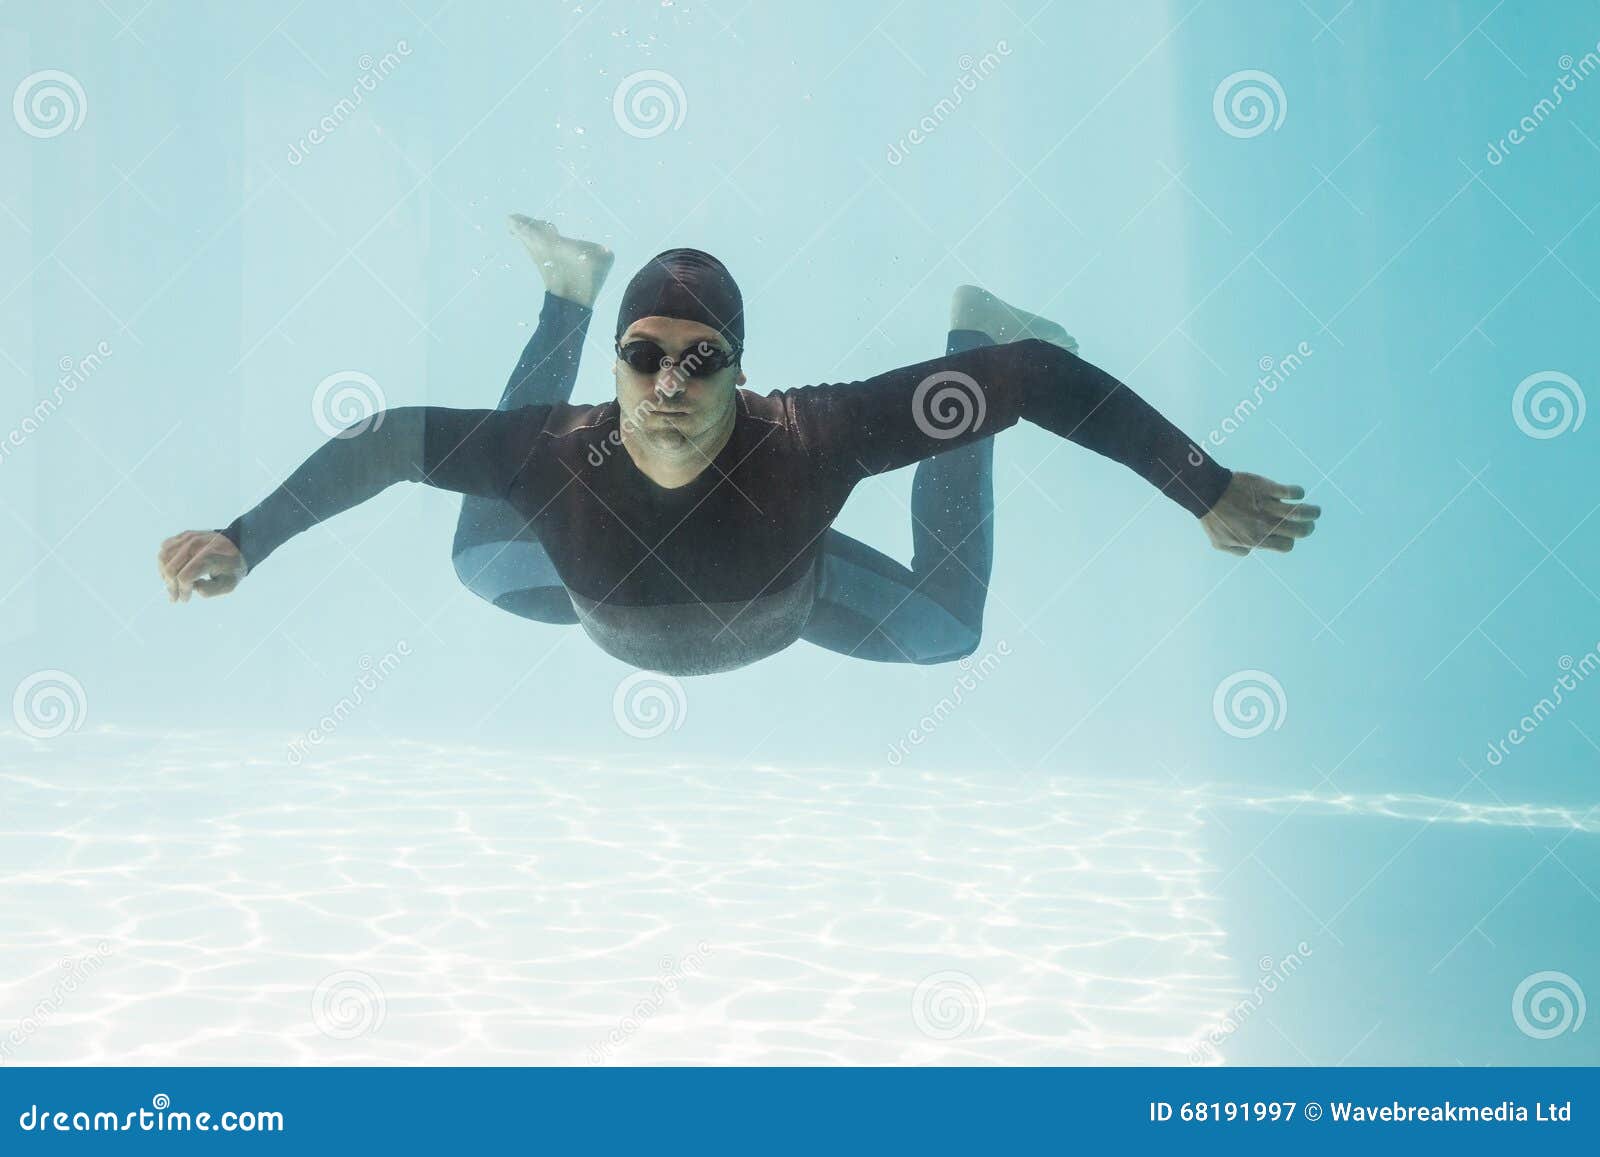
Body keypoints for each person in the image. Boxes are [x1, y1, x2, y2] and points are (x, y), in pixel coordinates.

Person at [157, 217, 1319, 677]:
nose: (669, 383)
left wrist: (1200, 487)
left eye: (701, 358)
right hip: (593, 592)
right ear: (618, 366)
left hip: (785, 599)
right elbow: (384, 443)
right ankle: (571, 293)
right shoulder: (549, 451)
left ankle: (970, 320)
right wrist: (246, 538)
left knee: (949, 632)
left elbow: (1038, 384)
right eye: (642, 354)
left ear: (741, 368)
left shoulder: (810, 436)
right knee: (476, 556)